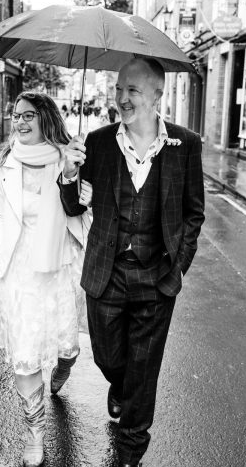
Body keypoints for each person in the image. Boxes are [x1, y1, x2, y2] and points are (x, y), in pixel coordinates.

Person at [59, 58, 205, 467]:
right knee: (109, 358)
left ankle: (130, 448)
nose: (122, 98)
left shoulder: (185, 144)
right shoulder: (99, 142)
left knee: (145, 367)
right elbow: (74, 206)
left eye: (133, 91)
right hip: (106, 272)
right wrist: (69, 174)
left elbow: (194, 212)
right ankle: (119, 385)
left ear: (157, 96)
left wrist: (179, 264)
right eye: (119, 88)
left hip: (157, 275)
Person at [0, 91, 93, 467]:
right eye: (16, 115)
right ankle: (35, 433)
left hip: (58, 267)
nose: (20, 122)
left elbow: (82, 211)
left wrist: (72, 173)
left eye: (29, 115)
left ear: (46, 118)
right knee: (26, 356)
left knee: (67, 347)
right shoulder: (5, 163)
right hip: (18, 272)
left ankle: (64, 366)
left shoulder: (69, 157)